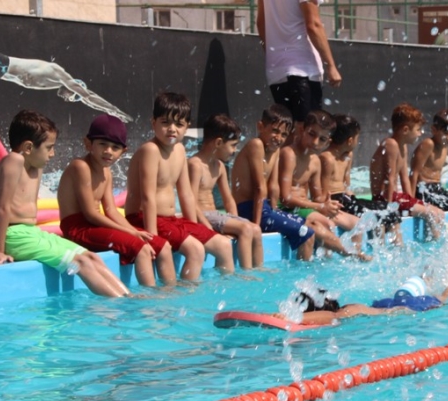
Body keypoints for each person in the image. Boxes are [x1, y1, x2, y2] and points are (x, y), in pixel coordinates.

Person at [0, 110, 128, 297]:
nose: (53, 153)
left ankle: (128, 298)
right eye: (49, 147)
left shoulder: (36, 166)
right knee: (79, 263)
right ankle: (118, 305)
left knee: (91, 257)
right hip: (14, 236)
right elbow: (2, 208)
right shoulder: (14, 160)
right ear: (28, 148)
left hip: (32, 233)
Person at [124, 92, 236, 280]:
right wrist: (154, 238)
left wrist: (194, 227)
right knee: (195, 250)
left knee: (223, 245)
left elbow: (186, 195)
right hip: (143, 218)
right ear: (153, 123)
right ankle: (185, 298)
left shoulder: (180, 150)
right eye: (165, 122)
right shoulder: (150, 150)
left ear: (187, 127)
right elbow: (147, 197)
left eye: (179, 124)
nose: (172, 129)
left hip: (170, 220)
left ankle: (224, 294)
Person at [58, 114, 176, 287]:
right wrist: (132, 233)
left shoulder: (107, 172)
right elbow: (90, 214)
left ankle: (170, 293)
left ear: (123, 152)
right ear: (88, 143)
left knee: (163, 245)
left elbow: (112, 211)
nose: (108, 151)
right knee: (142, 249)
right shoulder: (80, 167)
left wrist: (135, 232)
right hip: (78, 229)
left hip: (95, 226)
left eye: (115, 147)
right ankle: (151, 303)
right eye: (102, 145)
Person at [0, 50, 131, 122]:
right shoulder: (60, 74)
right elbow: (88, 96)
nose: (69, 99)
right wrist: (113, 111)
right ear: (75, 88)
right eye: (73, 96)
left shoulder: (53, 84)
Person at [277, 109, 366, 260]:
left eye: (322, 139)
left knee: (357, 223)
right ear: (301, 129)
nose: (315, 142)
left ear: (328, 141)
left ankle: (348, 264)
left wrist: (328, 204)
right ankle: (349, 255)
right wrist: (320, 207)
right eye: (312, 134)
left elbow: (318, 197)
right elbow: (285, 198)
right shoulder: (289, 154)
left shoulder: (315, 161)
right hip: (286, 208)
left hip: (306, 207)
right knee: (327, 223)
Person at [231, 104, 316, 260]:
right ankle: (302, 277)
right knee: (307, 234)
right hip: (249, 210)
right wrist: (257, 226)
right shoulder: (256, 145)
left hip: (265, 208)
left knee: (310, 225)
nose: (279, 138)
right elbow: (259, 188)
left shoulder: (275, 150)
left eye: (284, 134)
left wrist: (275, 210)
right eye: (275, 131)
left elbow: (273, 186)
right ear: (260, 126)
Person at [293, 258, 448, 325]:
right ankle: (425, 278)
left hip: (408, 308)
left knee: (444, 296)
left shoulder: (346, 312)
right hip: (389, 304)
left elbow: (332, 317)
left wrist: (290, 318)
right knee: (408, 292)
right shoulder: (351, 309)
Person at [188, 114, 264, 270]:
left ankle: (259, 270)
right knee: (246, 228)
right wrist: (207, 227)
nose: (234, 150)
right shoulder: (195, 165)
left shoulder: (219, 166)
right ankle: (246, 273)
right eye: (233, 145)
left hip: (216, 216)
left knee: (255, 229)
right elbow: (190, 201)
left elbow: (228, 200)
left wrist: (234, 220)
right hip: (204, 217)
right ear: (218, 142)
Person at [256, 0, 341, 130]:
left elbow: (261, 23)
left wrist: (274, 55)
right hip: (302, 69)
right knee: (305, 133)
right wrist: (331, 64)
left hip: (276, 70)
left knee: (288, 132)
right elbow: (313, 25)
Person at [369, 103, 446, 242]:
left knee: (439, 213)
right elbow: (390, 179)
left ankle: (432, 244)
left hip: (397, 197)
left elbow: (405, 179)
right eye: (418, 129)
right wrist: (389, 208)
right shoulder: (391, 144)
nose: (420, 133)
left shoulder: (402, 147)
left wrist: (413, 201)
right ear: (405, 129)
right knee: (430, 214)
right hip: (384, 199)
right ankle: (437, 243)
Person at [320, 113, 402, 243]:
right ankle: (378, 251)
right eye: (357, 138)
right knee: (376, 217)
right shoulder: (327, 158)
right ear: (350, 140)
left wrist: (357, 201)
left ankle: (396, 250)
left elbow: (347, 185)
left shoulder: (348, 155)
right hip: (335, 202)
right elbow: (322, 192)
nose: (357, 142)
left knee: (389, 211)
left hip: (347, 199)